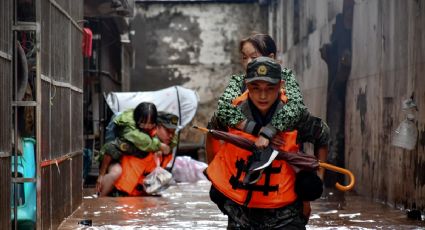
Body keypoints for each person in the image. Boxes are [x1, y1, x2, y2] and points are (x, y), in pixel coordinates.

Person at [205, 57, 328, 229]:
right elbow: (211, 134)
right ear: (247, 86)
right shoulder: (232, 114)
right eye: (256, 88)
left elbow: (322, 135)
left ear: (280, 86)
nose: (263, 96)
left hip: (286, 214)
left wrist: (314, 185)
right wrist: (216, 174)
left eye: (270, 89)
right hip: (241, 212)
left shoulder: (294, 116)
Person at [214, 33, 306, 150]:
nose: (248, 63)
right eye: (244, 57)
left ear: (271, 58)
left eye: (254, 57)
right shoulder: (238, 81)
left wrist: (269, 132)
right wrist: (257, 130)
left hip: (282, 149)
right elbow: (223, 109)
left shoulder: (286, 77)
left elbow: (296, 106)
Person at [96, 102, 171, 196]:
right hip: (113, 159)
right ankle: (99, 198)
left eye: (150, 123)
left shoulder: (152, 135)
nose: (147, 126)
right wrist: (101, 175)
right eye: (143, 123)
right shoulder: (131, 136)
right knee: (116, 172)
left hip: (128, 164)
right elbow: (109, 149)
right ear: (137, 120)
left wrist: (157, 149)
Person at [113, 112, 179, 196]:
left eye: (173, 132)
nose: (171, 135)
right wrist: (158, 146)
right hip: (123, 193)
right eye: (168, 131)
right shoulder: (142, 139)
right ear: (157, 126)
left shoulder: (168, 146)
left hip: (140, 194)